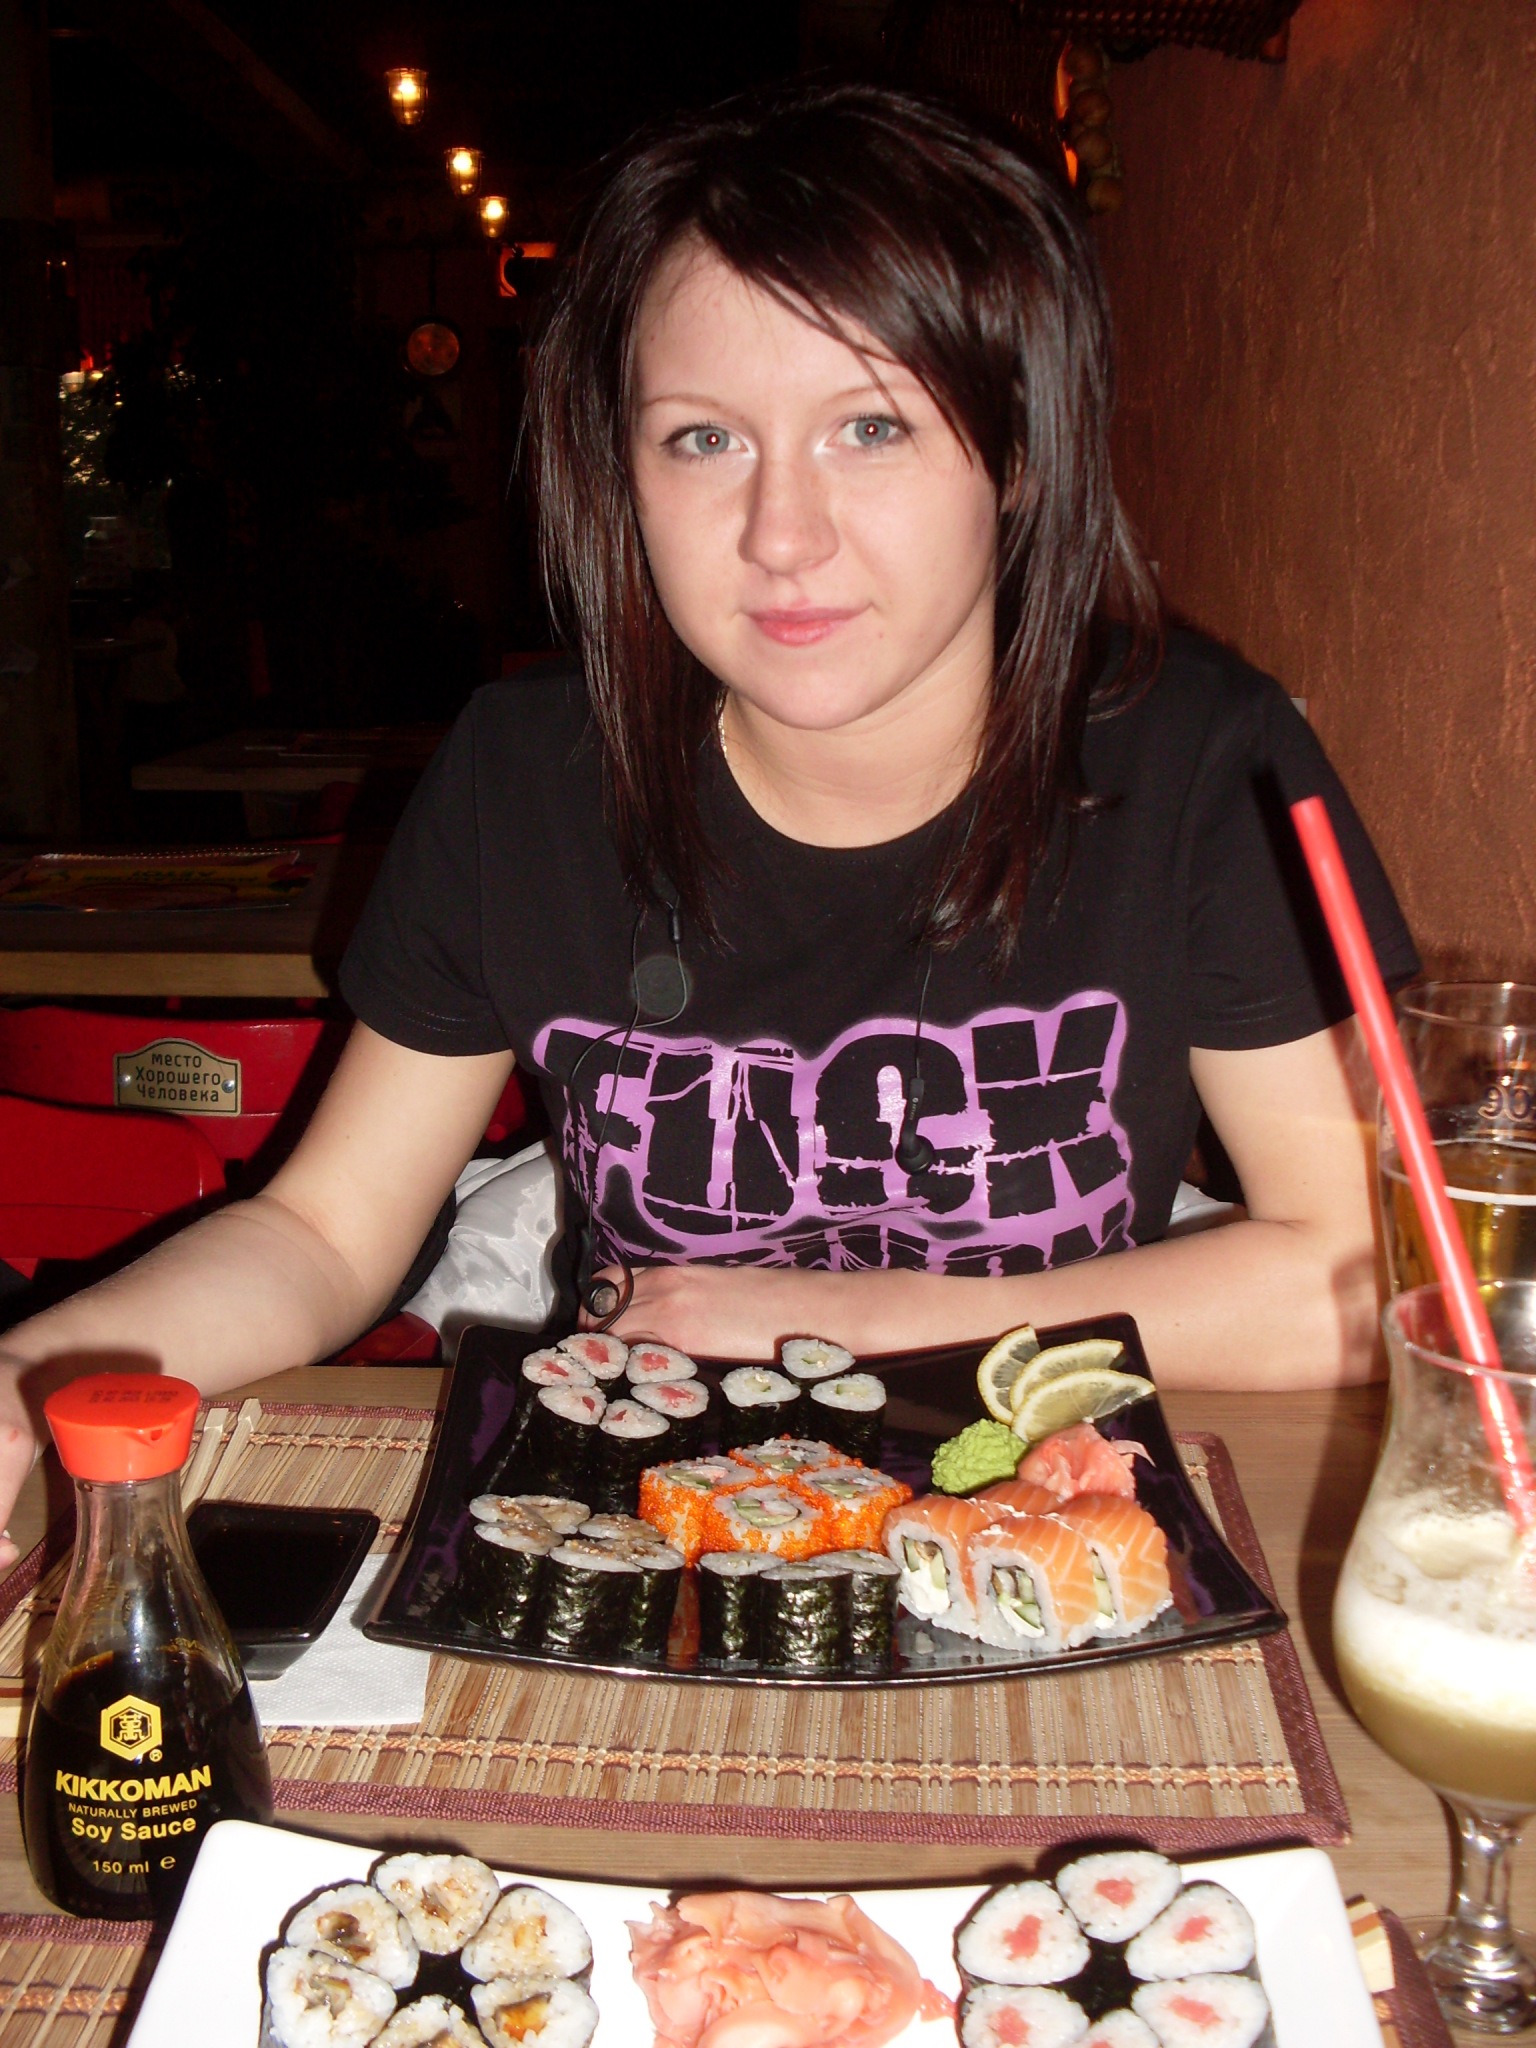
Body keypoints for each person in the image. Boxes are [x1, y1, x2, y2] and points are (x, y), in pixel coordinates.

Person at [0, 82, 1416, 1572]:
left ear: (1018, 450)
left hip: (1047, 1522)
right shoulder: (524, 777)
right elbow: (325, 1233)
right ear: (620, 469)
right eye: (702, 440)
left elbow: (1354, 1282)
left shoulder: (1203, 764)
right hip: (632, 1535)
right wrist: (34, 1380)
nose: (780, 536)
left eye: (870, 426)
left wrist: (850, 1320)